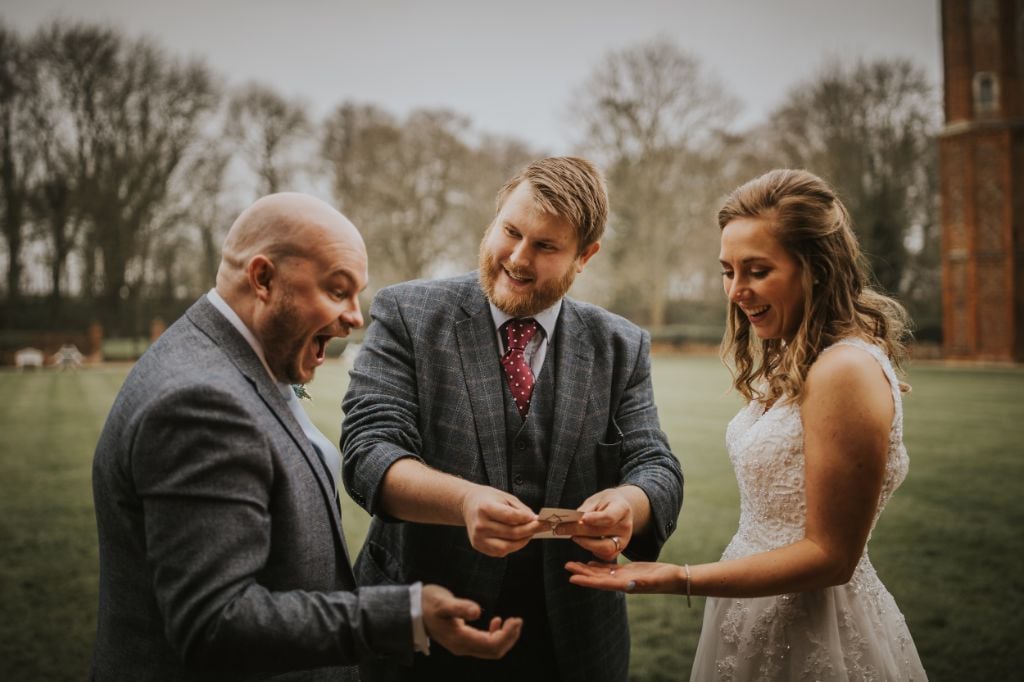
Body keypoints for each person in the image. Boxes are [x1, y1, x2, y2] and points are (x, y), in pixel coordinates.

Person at [91, 193, 521, 681]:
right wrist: (401, 615)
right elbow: (216, 624)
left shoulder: (231, 356)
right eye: (337, 291)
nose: (356, 317)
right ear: (263, 278)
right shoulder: (202, 404)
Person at [566, 169, 928, 680]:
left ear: (817, 269)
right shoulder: (801, 359)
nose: (736, 291)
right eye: (727, 271)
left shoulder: (844, 370)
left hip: (814, 626)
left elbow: (831, 556)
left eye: (757, 271)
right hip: (752, 610)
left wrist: (678, 578)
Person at [341, 156, 684, 681]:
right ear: (494, 219)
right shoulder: (407, 314)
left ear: (584, 256)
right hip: (421, 640)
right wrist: (464, 501)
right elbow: (369, 450)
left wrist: (629, 504)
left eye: (546, 246)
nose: (518, 259)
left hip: (571, 646)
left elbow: (655, 463)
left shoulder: (620, 345)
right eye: (510, 232)